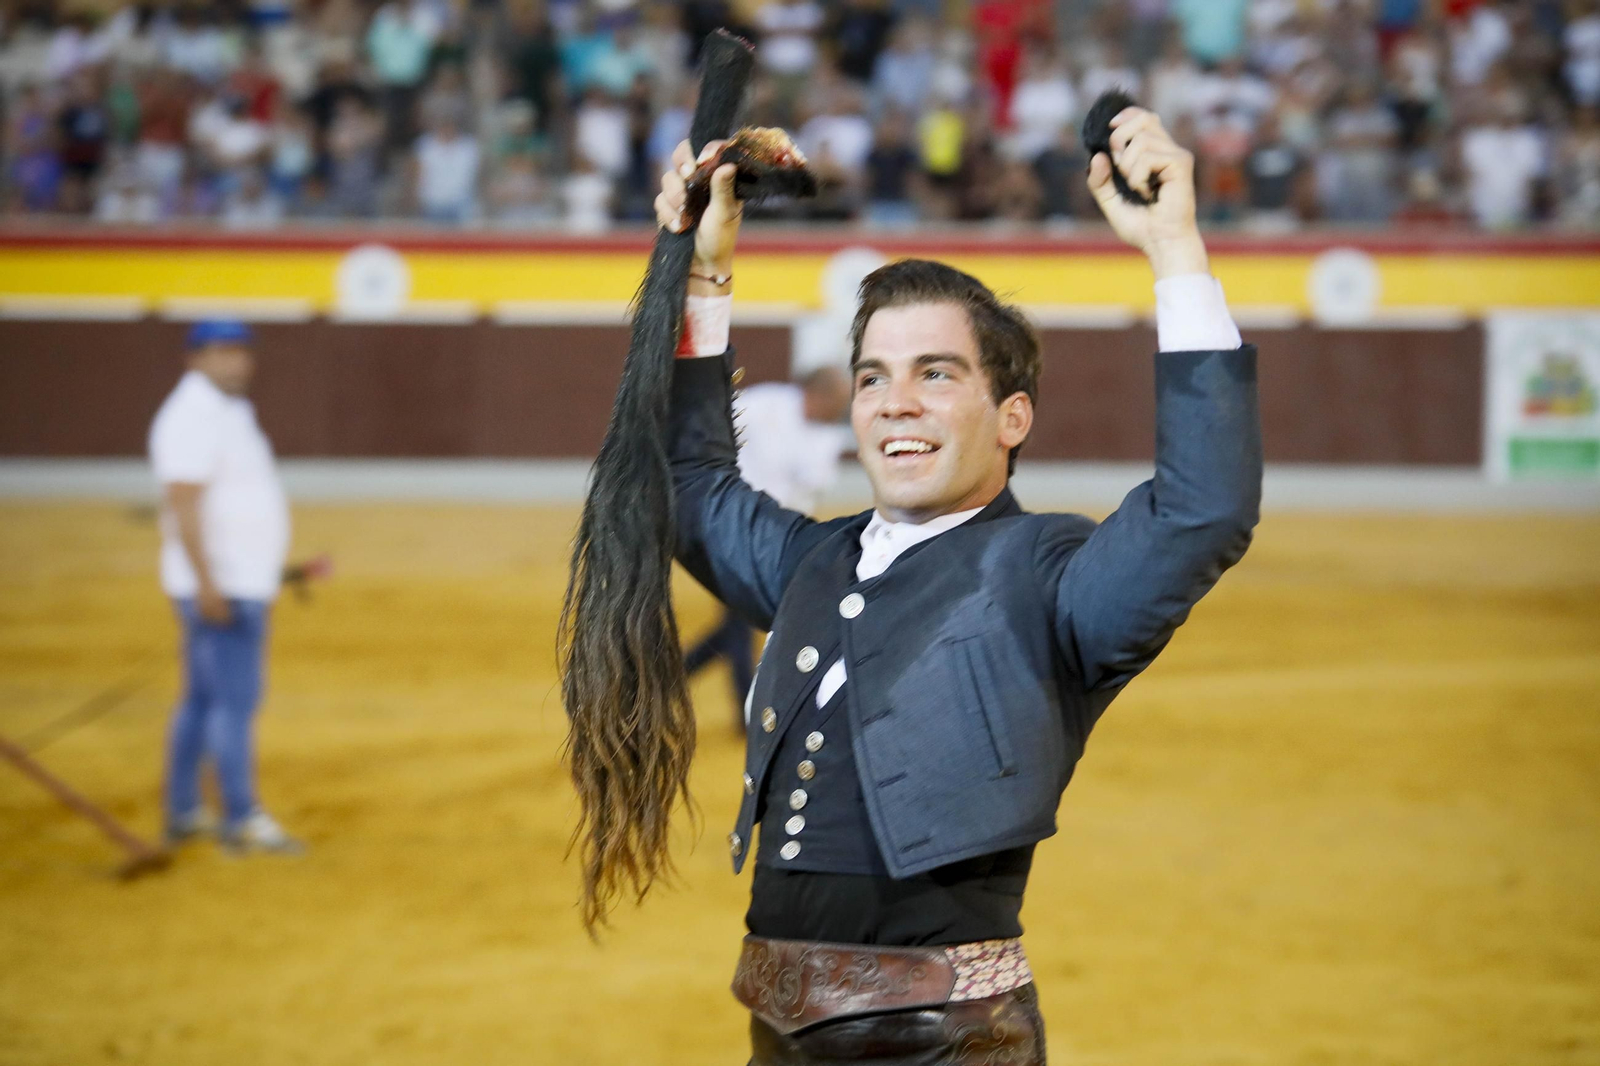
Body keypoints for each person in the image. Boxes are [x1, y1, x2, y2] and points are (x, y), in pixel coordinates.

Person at [652, 104, 1259, 1064]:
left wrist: (1176, 250)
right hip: (774, 1029)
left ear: (1013, 416)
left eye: (936, 374)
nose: (896, 400)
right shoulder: (816, 560)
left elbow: (1202, 511)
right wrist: (702, 271)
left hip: (947, 1043)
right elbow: (687, 487)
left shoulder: (1051, 579)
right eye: (873, 377)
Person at [148, 320, 303, 856]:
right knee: (233, 703)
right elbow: (183, 503)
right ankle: (240, 817)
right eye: (222, 352)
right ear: (195, 358)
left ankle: (186, 809)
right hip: (221, 588)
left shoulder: (226, 410)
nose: (236, 361)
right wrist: (207, 583)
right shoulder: (190, 416)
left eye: (241, 351)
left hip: (235, 579)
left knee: (201, 699)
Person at [683, 367, 852, 730]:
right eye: (836, 404)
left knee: (740, 621)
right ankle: (745, 712)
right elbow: (712, 427)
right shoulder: (767, 404)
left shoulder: (828, 438)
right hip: (728, 523)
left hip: (777, 539)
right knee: (740, 621)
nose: (839, 413)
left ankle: (677, 677)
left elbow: (809, 493)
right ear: (816, 393)